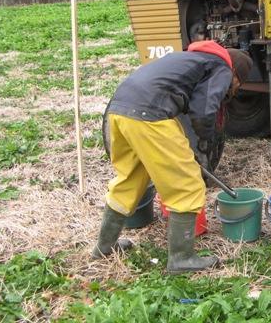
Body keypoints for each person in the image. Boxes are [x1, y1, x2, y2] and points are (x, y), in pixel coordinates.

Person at [91, 40, 253, 274]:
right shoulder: (221, 67)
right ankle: (181, 259)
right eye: (237, 84)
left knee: (131, 180)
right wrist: (202, 147)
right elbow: (204, 111)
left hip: (119, 110)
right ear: (236, 75)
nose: (234, 88)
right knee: (186, 184)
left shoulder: (191, 59)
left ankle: (104, 247)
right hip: (149, 114)